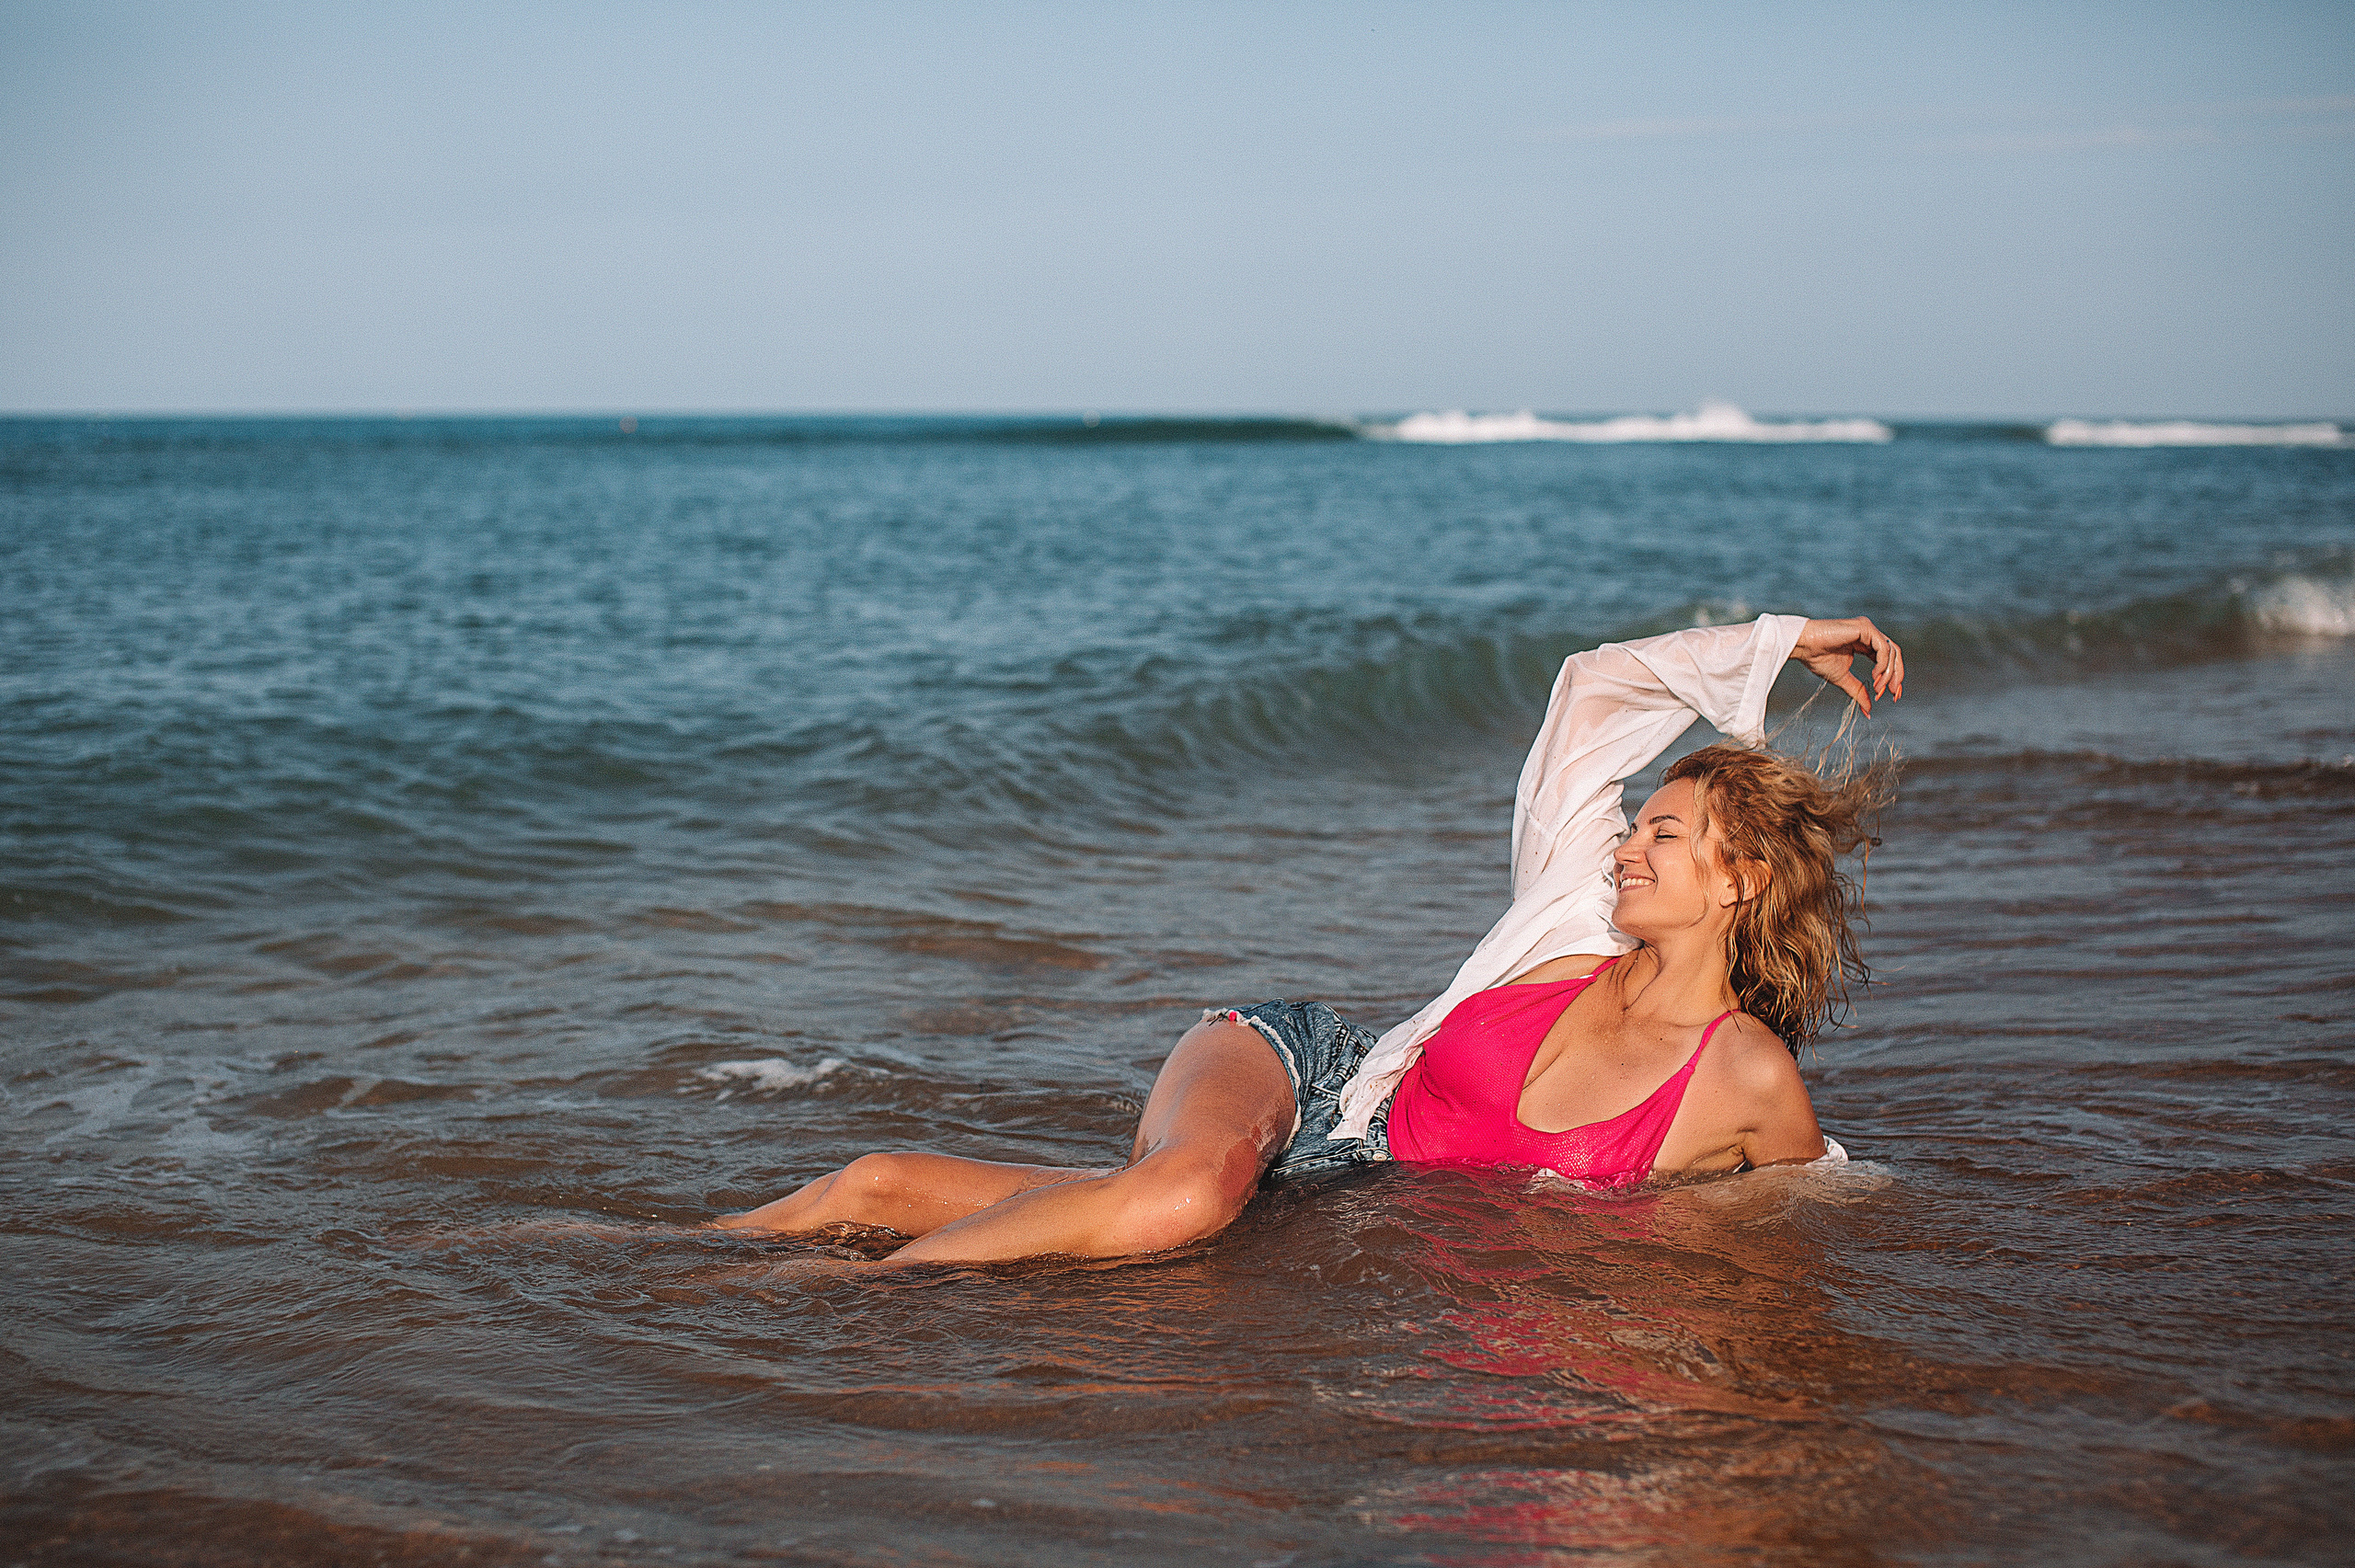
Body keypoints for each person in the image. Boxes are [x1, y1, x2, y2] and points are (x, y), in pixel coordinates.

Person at [711, 613, 1903, 1263]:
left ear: (1742, 879)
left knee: (1138, 1207)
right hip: (1306, 1061)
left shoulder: (1742, 1072)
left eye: (1669, 833)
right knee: (1184, 1196)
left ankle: (839, 1200)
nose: (1629, 846)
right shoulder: (1577, 906)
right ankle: (877, 1305)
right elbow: (1591, 688)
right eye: (1635, 822)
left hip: (1343, 1181)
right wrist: (1778, 642)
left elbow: (1796, 1208)